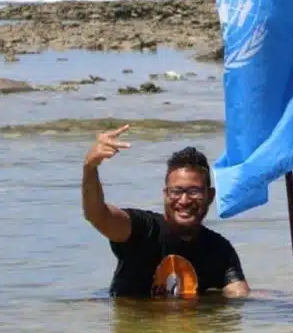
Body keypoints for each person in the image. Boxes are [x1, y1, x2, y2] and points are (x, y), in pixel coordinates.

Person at [81, 125, 249, 299]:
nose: (184, 201)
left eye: (194, 191)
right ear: (165, 194)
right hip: (135, 322)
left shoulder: (219, 250)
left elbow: (239, 296)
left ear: (210, 196)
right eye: (176, 191)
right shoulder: (142, 231)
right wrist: (90, 167)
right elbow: (97, 215)